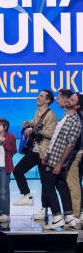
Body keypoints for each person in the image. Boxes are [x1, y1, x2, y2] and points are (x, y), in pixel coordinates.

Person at [13, 90, 57, 221]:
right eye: (39, 95)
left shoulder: (52, 115)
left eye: (41, 96)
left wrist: (35, 131)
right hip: (34, 151)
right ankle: (27, 195)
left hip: (44, 153)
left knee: (45, 182)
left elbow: (51, 133)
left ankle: (44, 209)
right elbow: (36, 122)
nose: (38, 97)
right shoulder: (38, 112)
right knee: (17, 171)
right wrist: (29, 123)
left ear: (47, 101)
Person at [42, 93, 83, 229]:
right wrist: (46, 155)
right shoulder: (65, 117)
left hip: (57, 161)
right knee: (62, 186)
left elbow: (70, 145)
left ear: (77, 106)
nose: (67, 101)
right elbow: (55, 140)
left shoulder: (75, 122)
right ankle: (69, 216)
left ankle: (57, 216)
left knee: (48, 187)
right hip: (52, 157)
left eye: (72, 100)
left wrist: (59, 164)